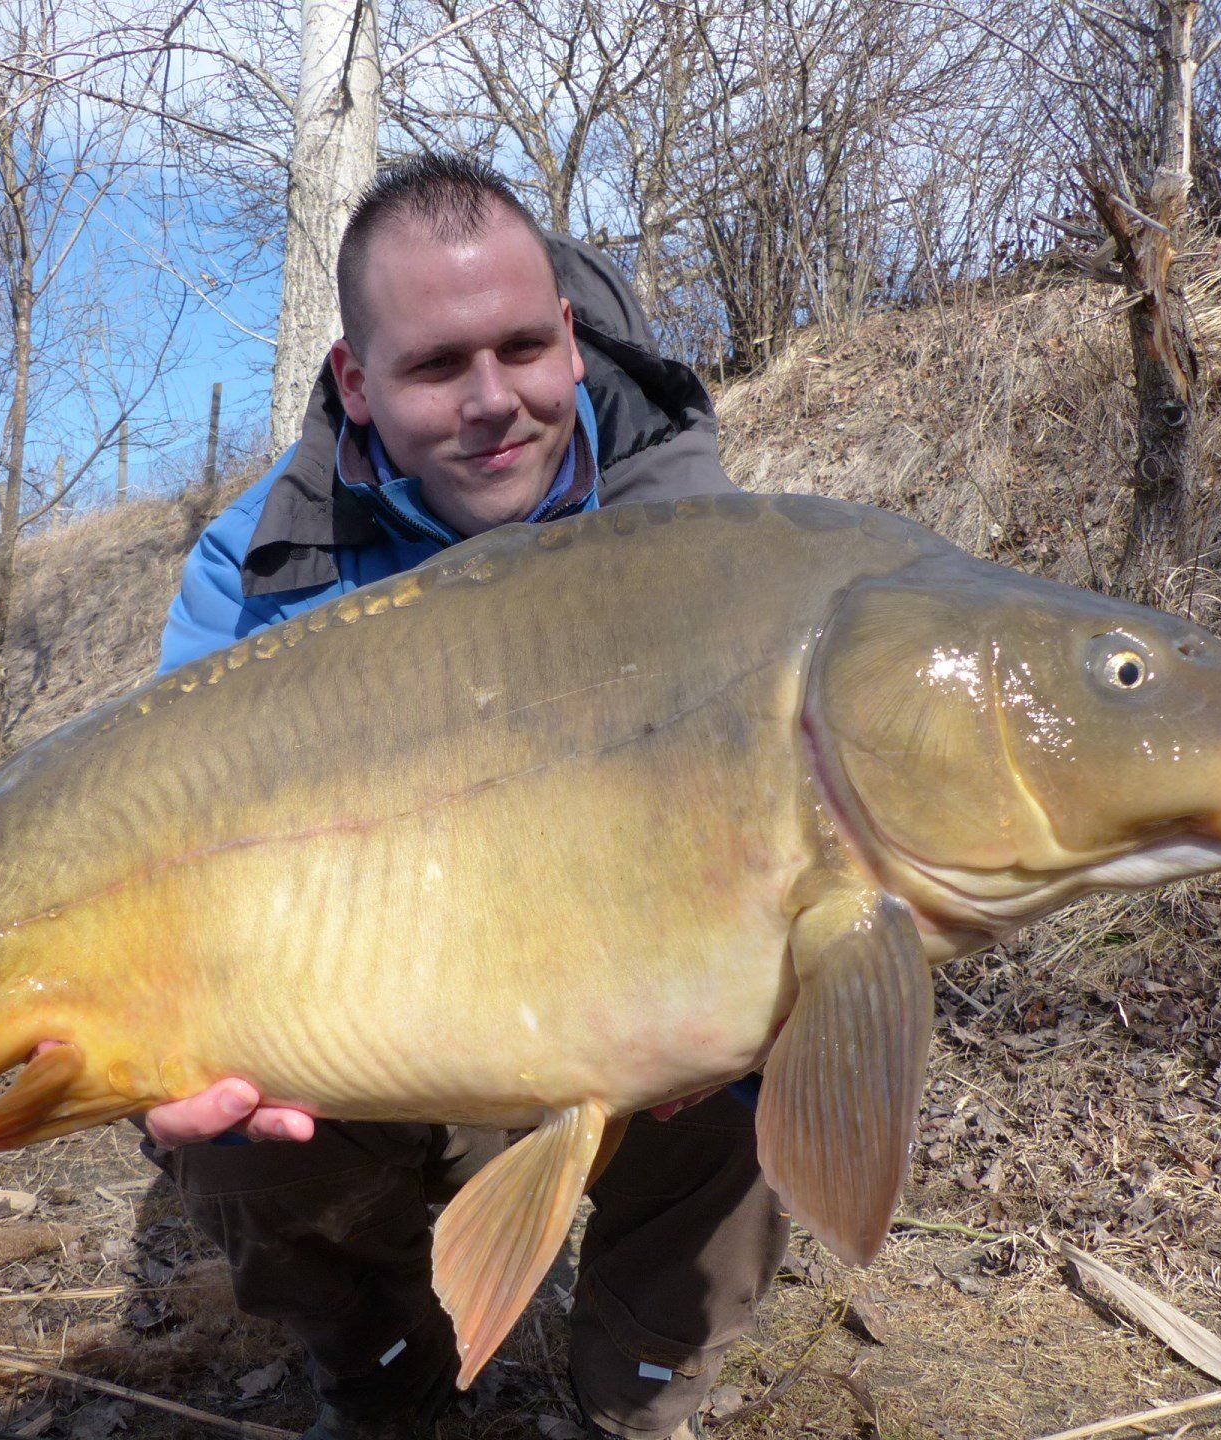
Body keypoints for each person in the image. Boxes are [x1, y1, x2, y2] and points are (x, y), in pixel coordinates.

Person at [144, 153, 787, 1440]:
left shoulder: (710, 549)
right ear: (357, 385)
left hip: (647, 1005)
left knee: (801, 1042)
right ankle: (385, 1380)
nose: (493, 402)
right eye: (438, 368)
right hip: (386, 1013)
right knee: (218, 1132)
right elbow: (171, 861)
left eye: (519, 350)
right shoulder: (260, 569)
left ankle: (637, 1395)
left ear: (566, 333)